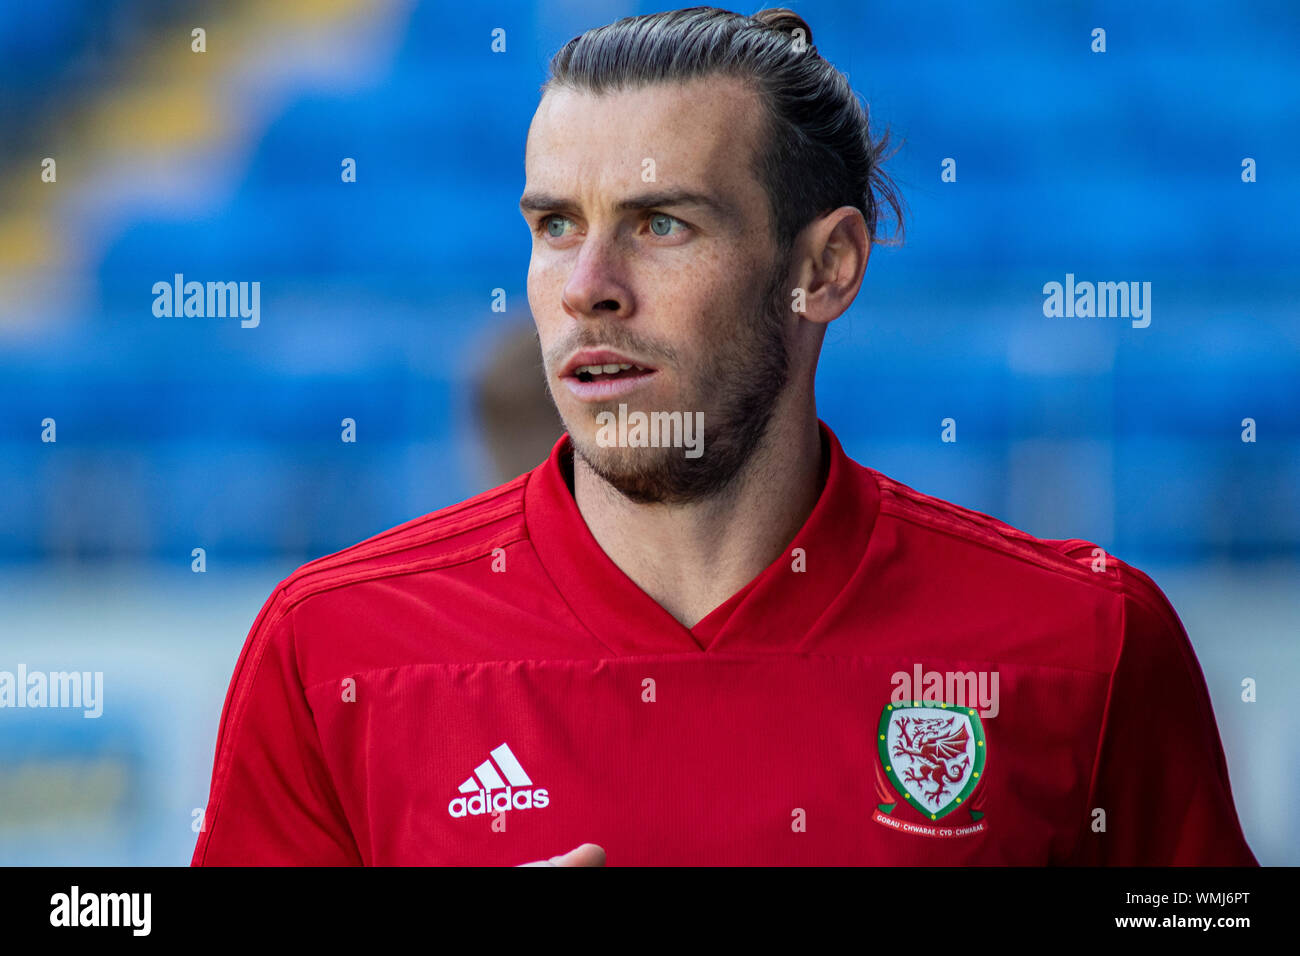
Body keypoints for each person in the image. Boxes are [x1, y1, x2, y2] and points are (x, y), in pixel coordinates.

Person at [191, 6, 1256, 866]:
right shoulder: (330, 652)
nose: (587, 289)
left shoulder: (1085, 645)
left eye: (662, 224)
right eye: (555, 224)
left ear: (825, 268)